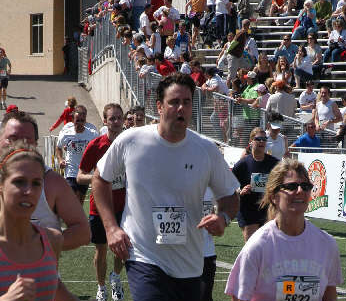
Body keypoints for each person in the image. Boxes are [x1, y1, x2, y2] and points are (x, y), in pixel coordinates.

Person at [91, 73, 240, 301]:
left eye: (187, 102)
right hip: (143, 255)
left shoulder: (206, 149)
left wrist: (224, 219)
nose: (181, 108)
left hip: (190, 260)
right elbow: (100, 178)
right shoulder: (131, 140)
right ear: (159, 107)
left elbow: (230, 195)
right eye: (174, 102)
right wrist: (111, 228)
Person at [225, 159, 343, 301]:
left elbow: (329, 294)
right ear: (273, 196)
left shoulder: (327, 244)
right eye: (292, 186)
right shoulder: (257, 246)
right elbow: (239, 298)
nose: (300, 191)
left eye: (305, 186)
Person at [0, 141, 62, 300]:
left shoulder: (52, 240)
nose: (28, 191)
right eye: (19, 181)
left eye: (36, 183)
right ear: (1, 184)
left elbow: (60, 294)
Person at [77, 104, 125, 301]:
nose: (115, 122)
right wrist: (99, 178)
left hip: (125, 206)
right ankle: (101, 286)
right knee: (101, 249)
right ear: (105, 121)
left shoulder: (128, 143)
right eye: (111, 118)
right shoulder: (96, 145)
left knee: (123, 247)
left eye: (118, 118)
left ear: (123, 120)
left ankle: (115, 277)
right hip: (100, 207)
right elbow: (80, 176)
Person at [233, 127, 279, 241]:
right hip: (248, 210)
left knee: (268, 247)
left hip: (268, 210)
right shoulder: (242, 164)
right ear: (251, 142)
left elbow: (282, 184)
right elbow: (228, 187)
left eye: (264, 139)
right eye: (258, 139)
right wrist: (240, 191)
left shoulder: (275, 163)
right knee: (252, 246)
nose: (262, 142)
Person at [56, 105, 98, 204]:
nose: (79, 123)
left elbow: (97, 151)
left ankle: (77, 218)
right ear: (73, 119)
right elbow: (58, 147)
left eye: (82, 121)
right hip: (70, 171)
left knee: (79, 202)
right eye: (77, 120)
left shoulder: (92, 134)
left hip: (84, 172)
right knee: (71, 200)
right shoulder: (66, 133)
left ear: (85, 120)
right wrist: (60, 159)